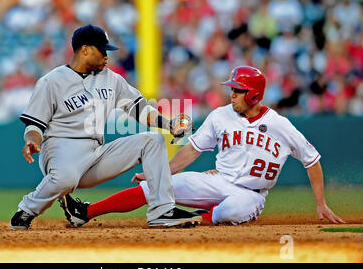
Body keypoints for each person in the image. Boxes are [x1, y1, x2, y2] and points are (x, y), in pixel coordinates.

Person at [60, 66, 345, 226]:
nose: (231, 94)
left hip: (251, 195)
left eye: (238, 90)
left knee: (229, 212)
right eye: (231, 89)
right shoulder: (220, 115)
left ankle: (193, 220)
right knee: (155, 187)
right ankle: (84, 212)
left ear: (254, 95)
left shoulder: (280, 125)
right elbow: (193, 149)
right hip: (217, 181)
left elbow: (311, 159)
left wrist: (320, 203)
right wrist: (160, 171)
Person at [10, 24, 202, 230]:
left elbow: (139, 108)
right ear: (85, 50)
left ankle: (162, 211)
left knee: (152, 141)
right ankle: (26, 211)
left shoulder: (112, 79)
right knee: (65, 179)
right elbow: (35, 124)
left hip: (96, 152)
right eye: (102, 50)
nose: (106, 55)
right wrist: (32, 140)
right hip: (61, 149)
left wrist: (167, 124)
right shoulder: (51, 81)